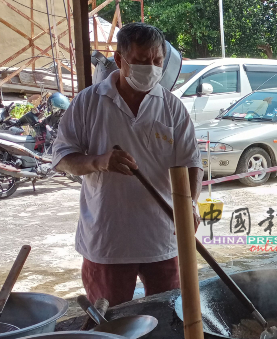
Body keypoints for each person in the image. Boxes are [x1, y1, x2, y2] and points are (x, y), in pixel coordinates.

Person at [52, 23, 203, 306]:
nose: (151, 68)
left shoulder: (171, 106)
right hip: (108, 240)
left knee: (169, 317)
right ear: (120, 60)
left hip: (162, 238)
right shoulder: (89, 102)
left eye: (157, 61)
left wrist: (190, 205)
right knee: (111, 324)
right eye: (142, 61)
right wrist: (99, 161)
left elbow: (191, 163)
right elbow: (62, 159)